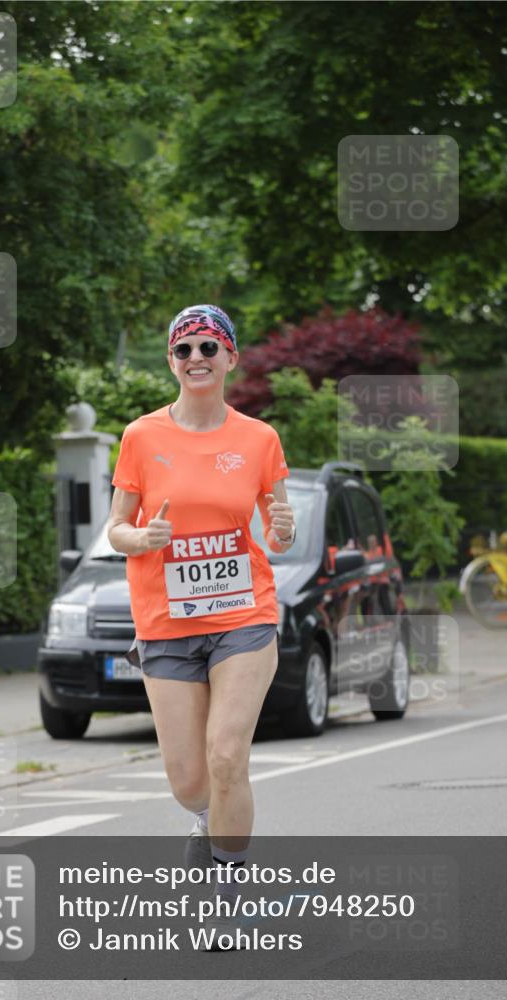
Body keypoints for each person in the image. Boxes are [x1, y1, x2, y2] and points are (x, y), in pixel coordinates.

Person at [107, 304, 296, 947]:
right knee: (190, 780)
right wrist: (142, 537)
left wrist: (284, 528)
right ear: (170, 361)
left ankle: (229, 888)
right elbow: (116, 528)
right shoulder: (140, 436)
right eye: (183, 349)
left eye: (208, 349)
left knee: (226, 755)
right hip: (165, 622)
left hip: (245, 615)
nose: (195, 359)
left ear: (230, 359)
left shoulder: (259, 439)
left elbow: (275, 525)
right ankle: (207, 824)